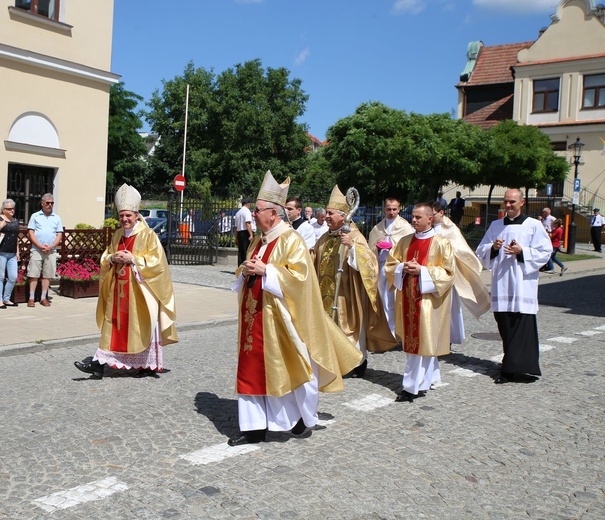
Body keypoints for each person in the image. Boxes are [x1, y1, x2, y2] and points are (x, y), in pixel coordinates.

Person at [228, 171, 362, 446]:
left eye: (258, 210)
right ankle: (253, 427)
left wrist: (268, 271)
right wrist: (246, 269)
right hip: (255, 316)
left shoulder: (291, 240)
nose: (253, 214)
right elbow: (245, 269)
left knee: (285, 368)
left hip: (280, 321)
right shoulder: (258, 240)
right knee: (252, 369)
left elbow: (301, 279)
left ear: (274, 214)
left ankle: (299, 417)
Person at [74, 184, 178, 379]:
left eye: (128, 215)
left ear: (137, 215)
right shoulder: (117, 234)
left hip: (141, 292)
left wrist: (133, 259)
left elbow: (158, 264)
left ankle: (145, 364)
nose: (124, 219)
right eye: (122, 216)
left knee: (140, 327)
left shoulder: (148, 235)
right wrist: (112, 258)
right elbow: (106, 256)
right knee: (113, 325)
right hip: (119, 292)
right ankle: (99, 364)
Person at [314, 186, 397, 378]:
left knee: (348, 328)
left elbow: (370, 264)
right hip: (326, 293)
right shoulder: (325, 237)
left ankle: (356, 363)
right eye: (326, 213)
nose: (326, 216)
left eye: (330, 213)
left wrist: (352, 249)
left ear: (343, 216)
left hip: (348, 294)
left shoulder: (354, 236)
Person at [475, 188, 552, 384]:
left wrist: (522, 251)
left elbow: (545, 251)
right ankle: (512, 365)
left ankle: (511, 370)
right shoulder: (495, 225)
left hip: (522, 285)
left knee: (521, 326)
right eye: (506, 201)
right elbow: (480, 251)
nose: (508, 205)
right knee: (505, 326)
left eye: (512, 202)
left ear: (522, 203)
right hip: (501, 284)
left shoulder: (533, 225)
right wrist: (493, 248)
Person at [384, 203, 455, 402]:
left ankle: (410, 387)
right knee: (416, 342)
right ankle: (427, 379)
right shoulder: (405, 241)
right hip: (407, 300)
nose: (413, 220)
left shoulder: (441, 243)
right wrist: (402, 268)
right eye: (413, 217)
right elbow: (390, 265)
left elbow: (449, 273)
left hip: (428, 303)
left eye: (418, 217)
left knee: (424, 341)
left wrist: (423, 271)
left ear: (430, 219)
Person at [431, 202, 490, 346]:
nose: (430, 218)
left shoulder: (451, 230)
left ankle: (446, 339)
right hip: (430, 275)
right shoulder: (427, 228)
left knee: (447, 309)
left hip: (447, 275)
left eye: (432, 214)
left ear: (441, 213)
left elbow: (460, 249)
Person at [368, 197, 413, 337]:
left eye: (394, 209)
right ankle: (385, 329)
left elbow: (408, 246)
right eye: (388, 209)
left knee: (394, 298)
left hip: (397, 267)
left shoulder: (405, 227)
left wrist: (393, 246)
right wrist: (377, 245)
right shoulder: (378, 228)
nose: (391, 212)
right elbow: (370, 246)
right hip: (382, 265)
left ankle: (395, 331)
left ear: (399, 209)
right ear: (384, 209)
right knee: (382, 297)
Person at [26, 193, 63, 308]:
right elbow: (31, 233)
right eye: (47, 203)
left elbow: (59, 234)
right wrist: (39, 245)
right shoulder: (35, 216)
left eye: (52, 203)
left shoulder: (57, 218)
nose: (50, 205)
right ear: (42, 203)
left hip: (50, 251)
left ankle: (43, 298)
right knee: (34, 274)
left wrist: (52, 246)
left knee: (47, 275)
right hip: (37, 249)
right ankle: (31, 298)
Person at [0, 199, 20, 308]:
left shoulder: (15, 221)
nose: (12, 210)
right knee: (0, 277)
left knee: (13, 277)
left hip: (12, 253)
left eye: (13, 208)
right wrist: (1, 226)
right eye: (9, 209)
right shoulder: (0, 220)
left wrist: (17, 251)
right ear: (3, 210)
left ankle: (6, 298)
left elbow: (15, 237)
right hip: (1, 252)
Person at [235, 198, 254, 265]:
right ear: (248, 204)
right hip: (246, 233)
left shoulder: (238, 213)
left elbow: (236, 227)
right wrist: (251, 234)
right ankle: (246, 266)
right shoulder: (247, 211)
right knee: (247, 250)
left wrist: (236, 237)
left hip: (240, 233)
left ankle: (240, 266)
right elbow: (247, 223)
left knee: (241, 251)